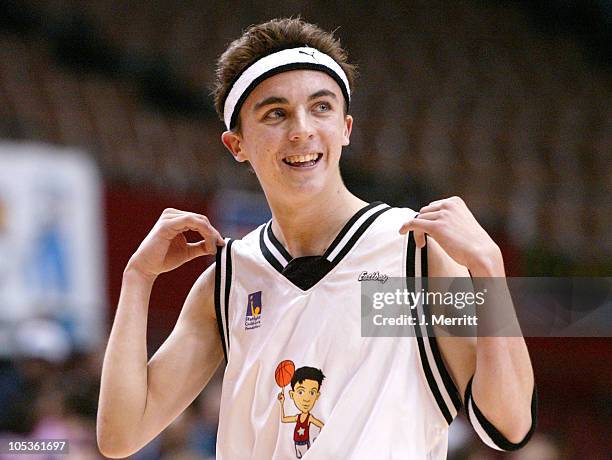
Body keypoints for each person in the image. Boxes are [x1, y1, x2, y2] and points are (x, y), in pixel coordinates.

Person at [97, 18, 536, 459]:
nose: (301, 129)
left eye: (321, 107)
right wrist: (138, 278)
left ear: (345, 128)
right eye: (276, 113)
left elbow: (509, 425)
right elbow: (121, 435)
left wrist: (489, 272)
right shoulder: (229, 281)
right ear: (237, 145)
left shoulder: (413, 252)